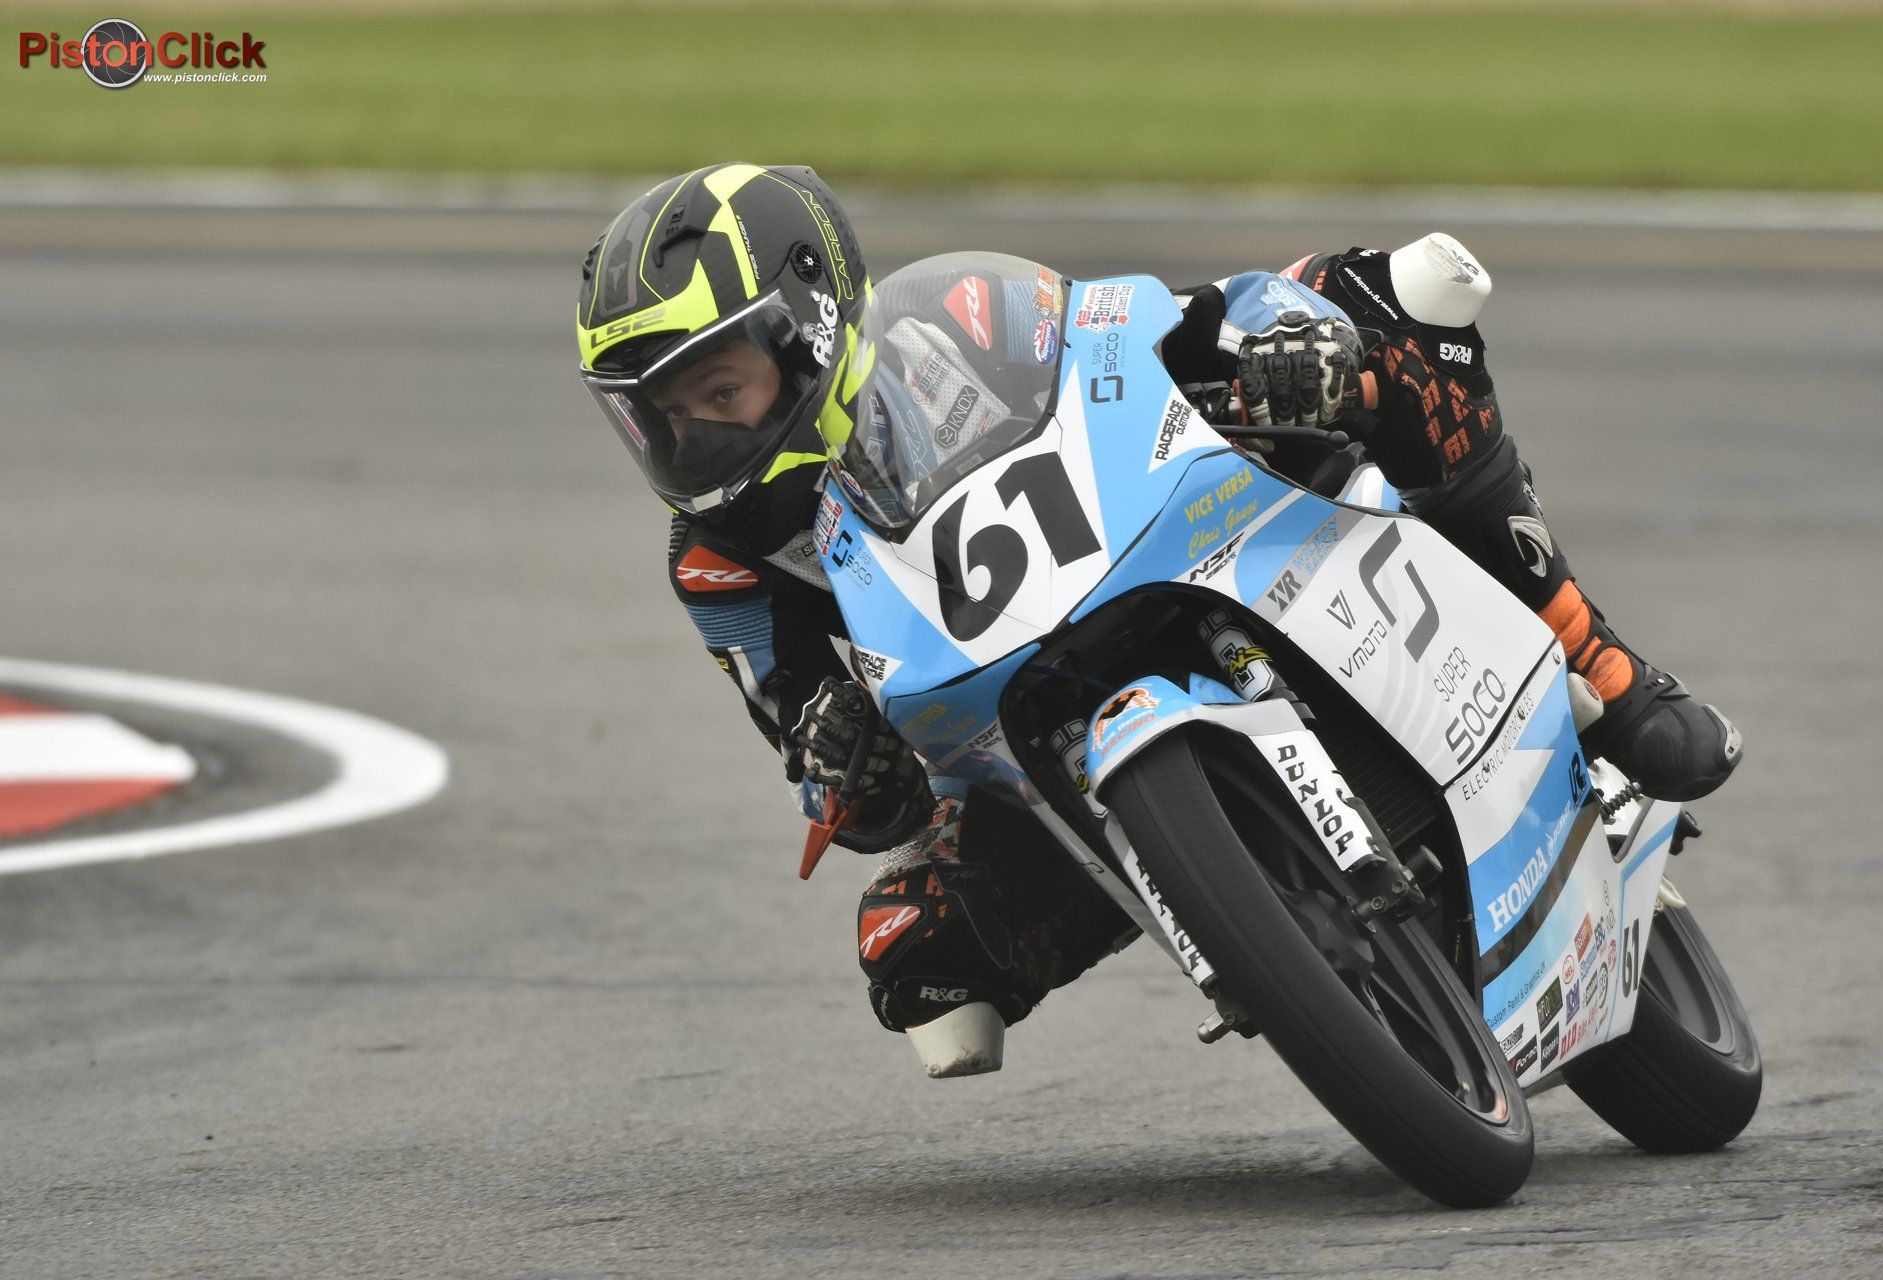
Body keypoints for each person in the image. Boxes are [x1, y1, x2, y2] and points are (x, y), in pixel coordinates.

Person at [576, 162, 1742, 1052]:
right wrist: (846, 758)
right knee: (914, 949)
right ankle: (1259, 922)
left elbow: (1127, 335)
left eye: (720, 390)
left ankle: (1597, 649)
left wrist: (1262, 352)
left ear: (812, 323)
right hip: (1010, 734)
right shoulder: (718, 567)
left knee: (1384, 301)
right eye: (661, 417)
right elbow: (832, 784)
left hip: (1162, 527)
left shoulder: (955, 321)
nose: (696, 438)